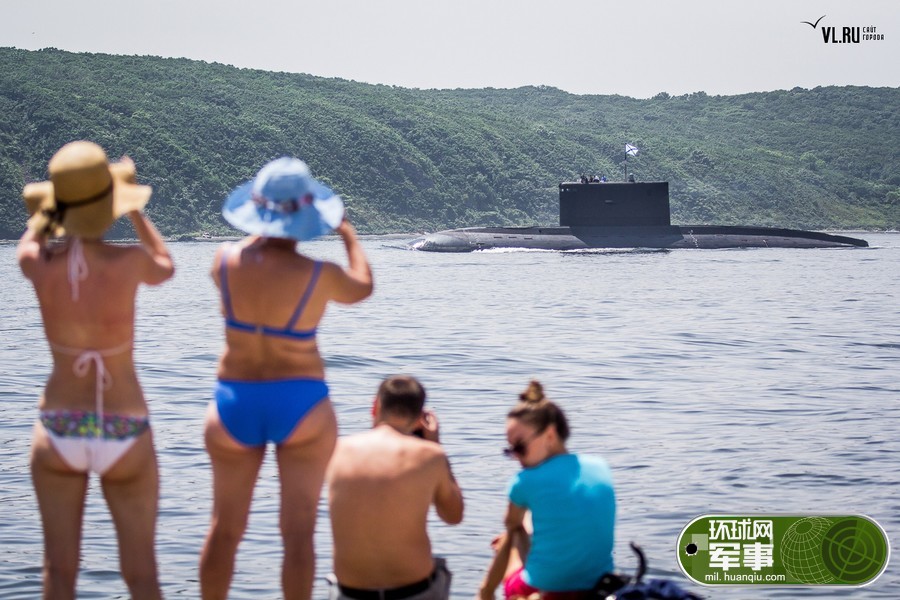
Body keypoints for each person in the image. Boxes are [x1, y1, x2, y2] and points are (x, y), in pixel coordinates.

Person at [199, 156, 373, 600]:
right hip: (302, 402)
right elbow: (363, 286)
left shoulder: (222, 262)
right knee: (298, 534)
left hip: (235, 398)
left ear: (257, 210)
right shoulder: (319, 275)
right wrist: (347, 231)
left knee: (224, 529)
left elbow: (260, 247)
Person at [17, 140, 175, 599]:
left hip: (60, 424)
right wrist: (135, 212)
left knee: (59, 570)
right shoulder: (129, 262)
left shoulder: (38, 265)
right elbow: (166, 267)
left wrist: (52, 210)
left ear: (58, 206)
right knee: (142, 574)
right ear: (112, 205)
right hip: (122, 422)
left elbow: (32, 238)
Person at [326, 375, 464, 600]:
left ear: (375, 406)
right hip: (413, 591)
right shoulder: (429, 456)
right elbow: (453, 515)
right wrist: (435, 444)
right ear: (421, 418)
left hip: (350, 593)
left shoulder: (337, 450)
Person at [478, 381, 616, 600]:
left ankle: (495, 590)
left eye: (520, 448)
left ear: (550, 435)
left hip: (548, 589)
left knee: (513, 532)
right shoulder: (600, 466)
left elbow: (512, 526)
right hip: (601, 584)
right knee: (533, 517)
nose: (516, 457)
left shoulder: (525, 480)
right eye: (510, 450)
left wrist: (486, 590)